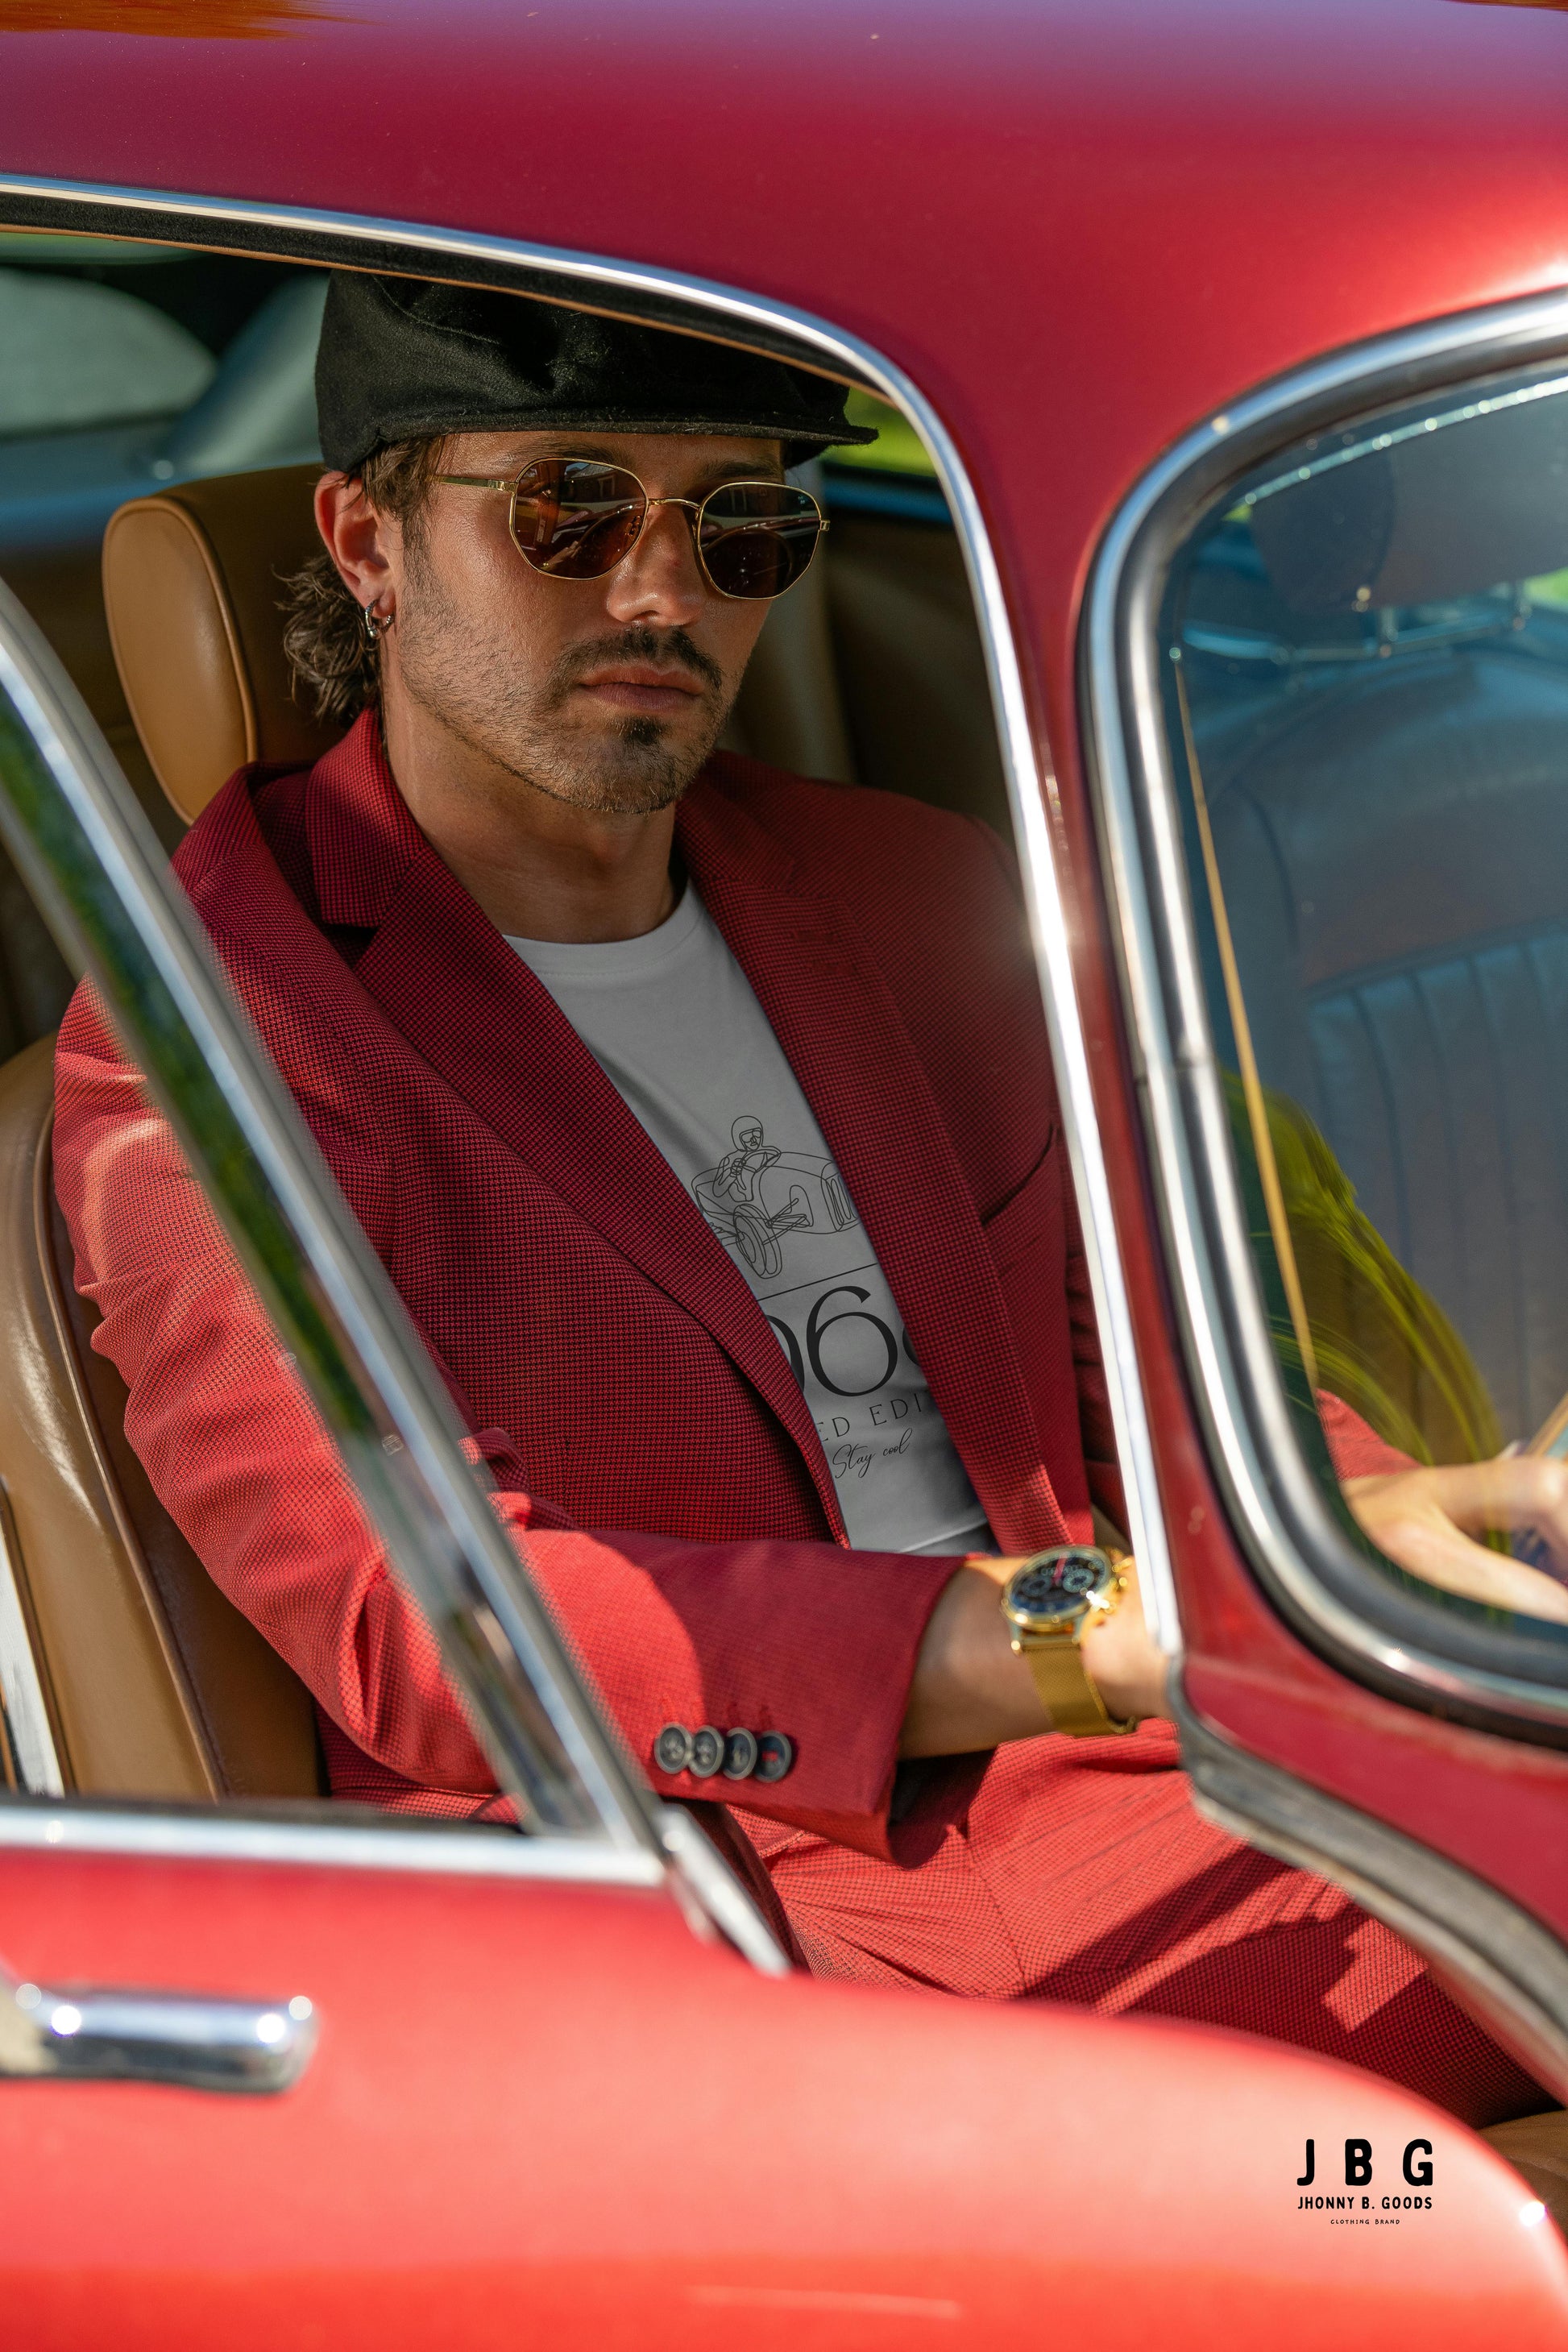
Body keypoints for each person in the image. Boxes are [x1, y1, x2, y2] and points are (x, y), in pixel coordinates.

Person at [53, 272, 1568, 2125]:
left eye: (741, 524)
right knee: (1394, 2182)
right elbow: (431, 1613)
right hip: (721, 1916)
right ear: (368, 539)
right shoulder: (221, 1028)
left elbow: (1157, 1387)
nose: (660, 591)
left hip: (1140, 1779)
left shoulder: (922, 899)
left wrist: (1428, 1533)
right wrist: (1077, 1634)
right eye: (569, 510)